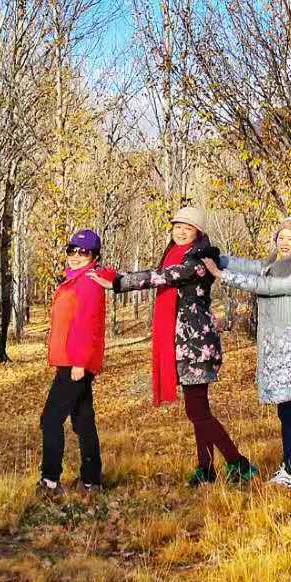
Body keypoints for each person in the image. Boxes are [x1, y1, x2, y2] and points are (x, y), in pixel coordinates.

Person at [95, 206, 257, 487]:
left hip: (197, 345)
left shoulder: (198, 261)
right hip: (182, 344)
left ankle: (238, 463)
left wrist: (119, 283)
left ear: (198, 232)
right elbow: (161, 272)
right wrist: (115, 276)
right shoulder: (175, 254)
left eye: (187, 227)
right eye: (177, 226)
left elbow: (161, 276)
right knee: (199, 410)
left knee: (197, 411)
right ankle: (207, 469)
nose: (181, 231)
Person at [205, 216, 291, 489]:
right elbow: (248, 265)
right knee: (285, 412)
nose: (284, 242)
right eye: (281, 237)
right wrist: (219, 258)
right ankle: (290, 471)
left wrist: (221, 275)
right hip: (277, 352)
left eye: (290, 238)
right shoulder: (273, 264)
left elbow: (268, 287)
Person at [39, 229, 117, 495]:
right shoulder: (77, 279)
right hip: (70, 360)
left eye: (83, 252)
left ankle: (50, 481)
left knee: (51, 419)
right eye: (71, 250)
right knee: (83, 420)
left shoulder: (88, 282)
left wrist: (80, 363)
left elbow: (87, 324)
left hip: (75, 362)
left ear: (94, 256)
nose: (75, 256)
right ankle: (91, 481)